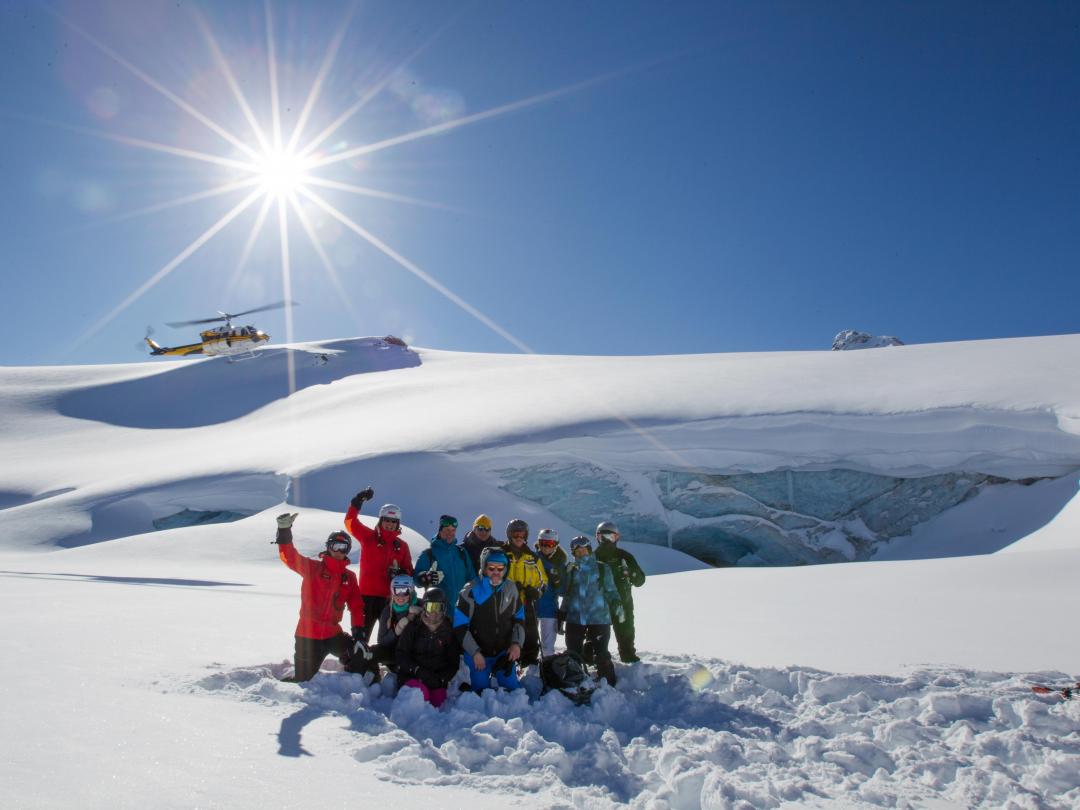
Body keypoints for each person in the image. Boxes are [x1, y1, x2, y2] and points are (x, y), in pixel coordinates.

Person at [273, 513, 374, 682]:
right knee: (303, 680)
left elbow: (357, 607)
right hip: (307, 636)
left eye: (343, 547)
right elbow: (289, 557)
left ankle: (358, 679)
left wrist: (359, 634)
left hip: (333, 635)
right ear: (328, 547)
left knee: (360, 654)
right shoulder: (313, 569)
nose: (339, 551)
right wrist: (284, 531)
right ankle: (284, 684)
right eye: (335, 546)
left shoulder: (349, 577)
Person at [344, 488, 414, 643]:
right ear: (381, 520)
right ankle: (358, 662)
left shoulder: (402, 546)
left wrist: (401, 573)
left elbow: (409, 571)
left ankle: (382, 660)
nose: (389, 524)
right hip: (366, 597)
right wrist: (357, 502)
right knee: (361, 637)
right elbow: (350, 523)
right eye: (386, 520)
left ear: (398, 524)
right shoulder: (369, 537)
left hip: (390, 599)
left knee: (388, 639)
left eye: (393, 521)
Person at [453, 547, 525, 692]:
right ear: (484, 567)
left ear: (506, 569)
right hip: (479, 654)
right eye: (491, 568)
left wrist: (516, 644)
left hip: (503, 652)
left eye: (500, 568)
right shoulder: (470, 591)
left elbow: (519, 620)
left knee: (513, 690)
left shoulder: (511, 589)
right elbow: (460, 627)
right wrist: (475, 653)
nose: (496, 573)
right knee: (481, 690)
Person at [561, 535, 623, 686]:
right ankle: (576, 682)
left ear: (589, 550)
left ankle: (608, 684)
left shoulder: (602, 568)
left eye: (584, 550)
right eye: (577, 551)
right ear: (573, 553)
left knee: (601, 653)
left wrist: (617, 604)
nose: (581, 553)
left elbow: (611, 590)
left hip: (599, 618)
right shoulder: (571, 570)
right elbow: (567, 594)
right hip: (575, 618)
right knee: (573, 653)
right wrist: (562, 613)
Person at [396, 588, 462, 707]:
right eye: (430, 607)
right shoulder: (414, 627)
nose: (434, 612)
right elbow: (401, 654)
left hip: (435, 679)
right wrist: (417, 670)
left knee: (438, 702)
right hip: (412, 676)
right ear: (425, 607)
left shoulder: (448, 630)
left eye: (438, 607)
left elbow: (453, 662)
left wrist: (441, 679)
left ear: (444, 608)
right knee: (421, 695)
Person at [594, 520, 646, 663]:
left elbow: (640, 581)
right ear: (597, 538)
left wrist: (631, 573)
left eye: (610, 537)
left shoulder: (625, 557)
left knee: (626, 631)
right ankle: (595, 656)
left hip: (623, 602)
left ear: (617, 538)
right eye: (602, 537)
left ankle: (628, 655)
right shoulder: (592, 558)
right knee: (596, 634)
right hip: (599, 604)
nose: (606, 541)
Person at [502, 518, 548, 667]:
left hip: (526, 603)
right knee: (506, 633)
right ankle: (506, 664)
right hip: (505, 603)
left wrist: (536, 592)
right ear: (509, 535)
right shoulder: (501, 554)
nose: (519, 539)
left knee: (530, 634)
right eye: (516, 535)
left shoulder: (532, 558)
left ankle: (528, 665)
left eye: (522, 535)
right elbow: (491, 575)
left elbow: (543, 581)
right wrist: (507, 586)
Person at [414, 515, 472, 606]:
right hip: (438, 611)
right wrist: (425, 577)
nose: (450, 533)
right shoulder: (429, 554)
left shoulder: (462, 553)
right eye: (447, 530)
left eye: (453, 530)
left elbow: (472, 578)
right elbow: (416, 581)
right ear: (440, 530)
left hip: (461, 610)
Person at [374, 574, 421, 675]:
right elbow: (381, 641)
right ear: (392, 592)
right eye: (397, 591)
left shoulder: (420, 606)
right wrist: (396, 631)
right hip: (394, 652)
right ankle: (372, 679)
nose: (400, 596)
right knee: (370, 653)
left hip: (414, 655)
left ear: (411, 592)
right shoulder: (388, 611)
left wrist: (422, 616)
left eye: (404, 591)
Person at [534, 528, 567, 658]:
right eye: (542, 543)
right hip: (532, 607)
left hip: (549, 609)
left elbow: (564, 591)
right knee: (529, 642)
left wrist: (557, 582)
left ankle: (547, 669)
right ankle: (529, 669)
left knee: (547, 647)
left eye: (550, 544)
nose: (546, 547)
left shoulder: (560, 564)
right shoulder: (532, 559)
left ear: (556, 545)